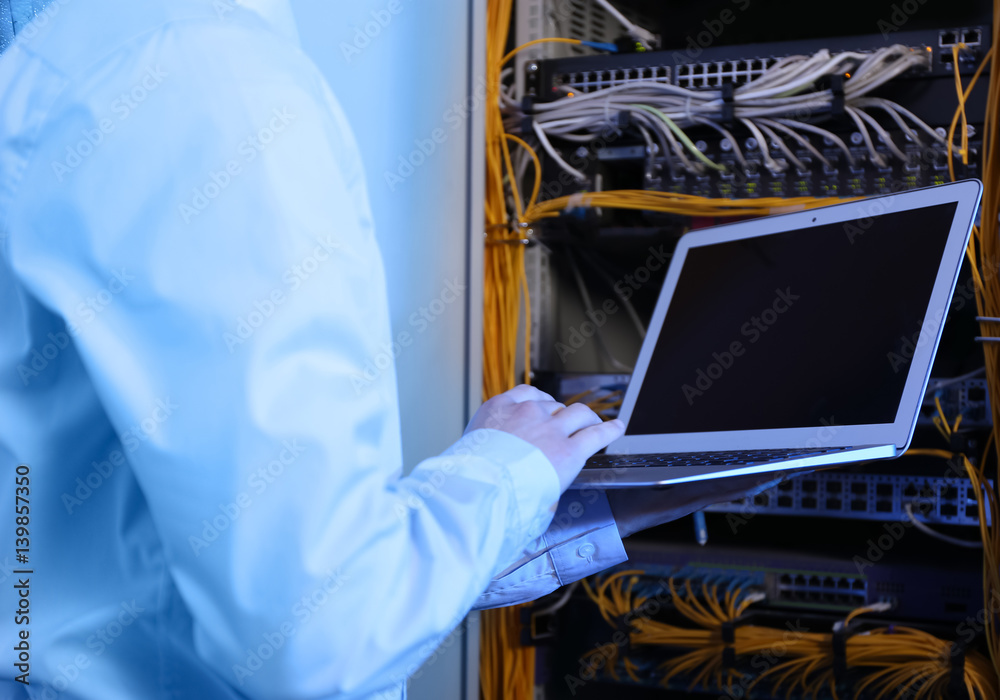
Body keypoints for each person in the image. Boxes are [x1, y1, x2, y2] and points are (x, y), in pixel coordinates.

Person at [0, 1, 777, 698]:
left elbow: (197, 564)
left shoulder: (97, 53)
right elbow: (316, 639)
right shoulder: (203, 79)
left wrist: (596, 499)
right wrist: (505, 468)